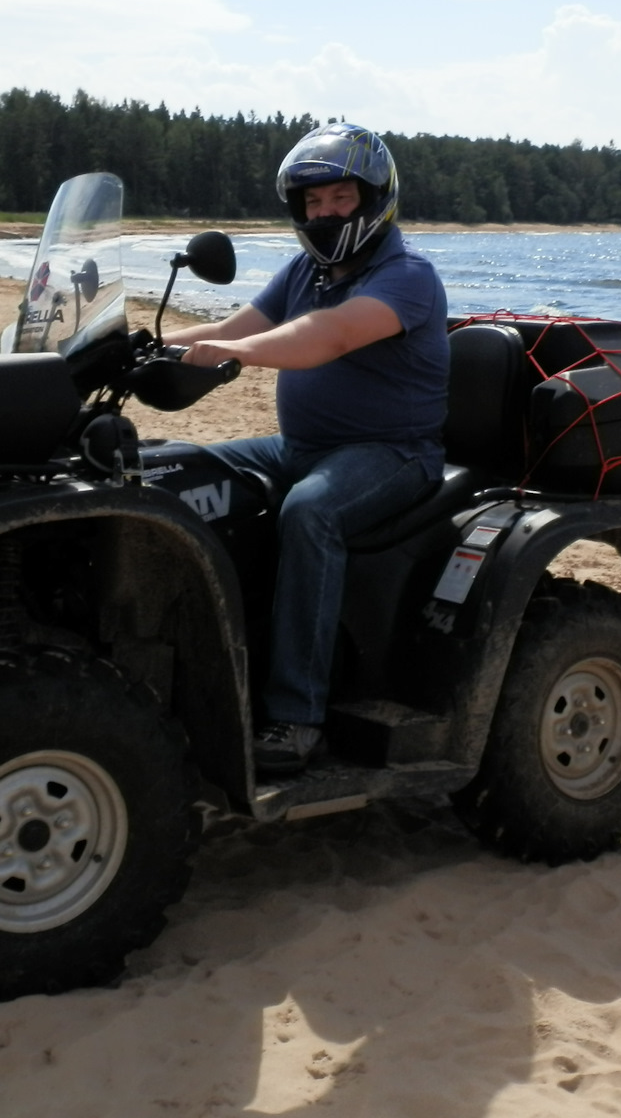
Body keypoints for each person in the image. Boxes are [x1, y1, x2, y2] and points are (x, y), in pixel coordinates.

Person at [169, 123, 448, 776]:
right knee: (181, 469)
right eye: (313, 203)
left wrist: (234, 355)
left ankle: (297, 717)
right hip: (303, 446)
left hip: (394, 453)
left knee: (309, 513)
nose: (325, 213)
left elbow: (324, 337)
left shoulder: (407, 276)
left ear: (374, 198)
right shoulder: (305, 271)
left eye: (340, 198)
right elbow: (235, 326)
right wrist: (140, 343)